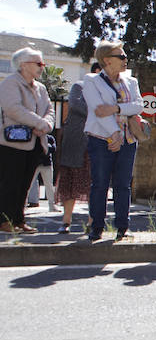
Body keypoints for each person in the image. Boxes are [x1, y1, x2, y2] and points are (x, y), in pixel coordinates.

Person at [82, 41, 144, 241]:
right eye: (121, 57)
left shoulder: (131, 82)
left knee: (123, 185)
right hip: (102, 139)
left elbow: (138, 106)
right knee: (99, 184)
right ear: (107, 60)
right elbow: (98, 109)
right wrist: (113, 134)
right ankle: (97, 227)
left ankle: (122, 227)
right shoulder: (92, 81)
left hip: (128, 140)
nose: (126, 60)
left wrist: (117, 109)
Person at [0, 47, 56, 233]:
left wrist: (46, 124)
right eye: (38, 63)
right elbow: (13, 108)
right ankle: (5, 220)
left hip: (35, 142)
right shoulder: (10, 83)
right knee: (10, 182)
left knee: (25, 183)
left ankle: (18, 220)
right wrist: (40, 123)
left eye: (43, 63)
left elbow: (50, 109)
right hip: (12, 143)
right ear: (23, 65)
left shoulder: (40, 87)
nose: (42, 67)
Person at [54, 63, 98, 234]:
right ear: (96, 71)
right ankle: (66, 221)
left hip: (96, 142)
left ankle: (93, 221)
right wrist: (101, 109)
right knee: (70, 182)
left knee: (94, 183)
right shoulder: (79, 86)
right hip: (76, 142)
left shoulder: (109, 91)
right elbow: (76, 105)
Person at [26, 132, 57, 211]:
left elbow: (53, 148)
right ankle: (24, 204)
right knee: (28, 185)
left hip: (47, 164)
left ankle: (51, 205)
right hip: (35, 164)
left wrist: (45, 145)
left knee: (49, 185)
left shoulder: (50, 138)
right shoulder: (34, 138)